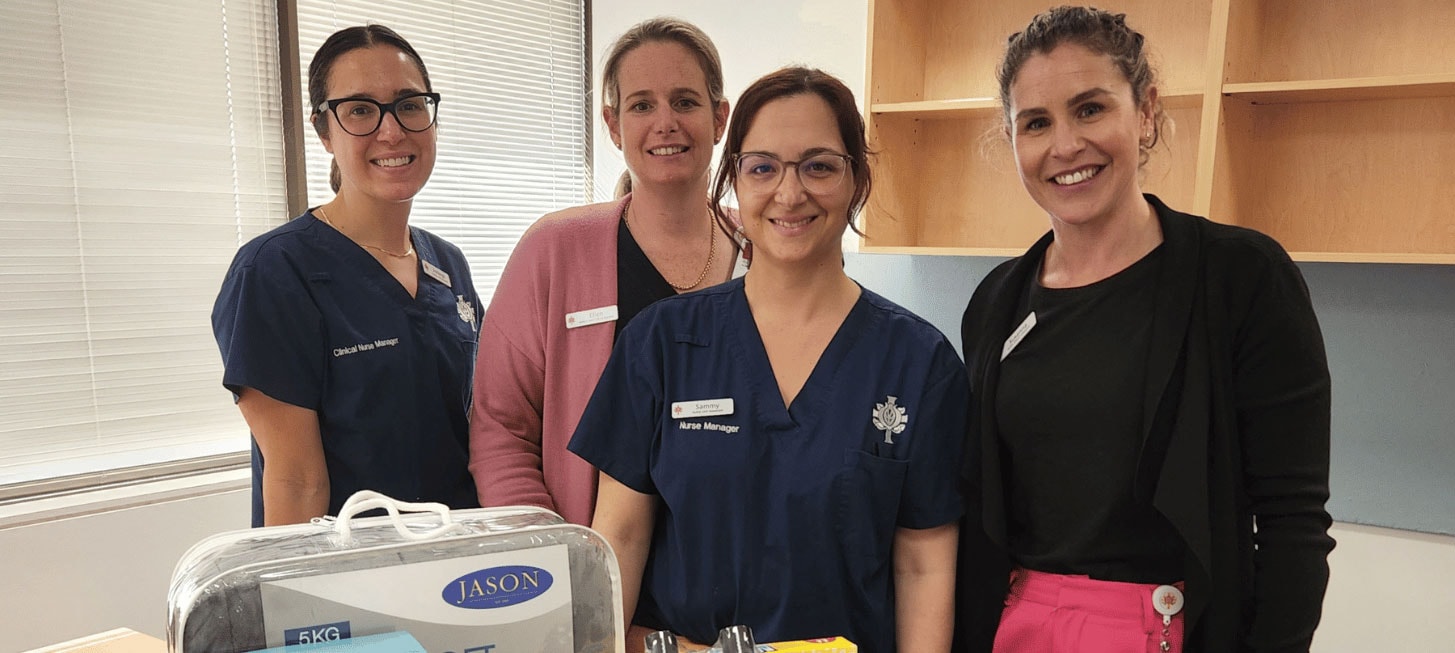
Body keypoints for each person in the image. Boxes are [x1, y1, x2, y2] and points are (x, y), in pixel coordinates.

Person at [953, 7, 1335, 652]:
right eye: (1037, 123)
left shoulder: (1240, 277)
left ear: (1147, 111)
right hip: (1015, 630)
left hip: (1170, 627)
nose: (1066, 145)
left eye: (1091, 108)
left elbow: (1292, 522)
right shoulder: (996, 302)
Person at [570, 67, 966, 653]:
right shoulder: (661, 343)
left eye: (819, 165)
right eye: (762, 167)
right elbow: (621, 537)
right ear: (735, 181)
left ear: (857, 179)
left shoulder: (917, 361)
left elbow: (922, 565)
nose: (789, 192)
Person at [468, 17, 741, 527]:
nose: (666, 123)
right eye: (642, 105)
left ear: (719, 118)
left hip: (740, 570)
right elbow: (501, 429)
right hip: (601, 567)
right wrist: (555, 556)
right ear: (613, 125)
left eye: (685, 101)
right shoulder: (554, 250)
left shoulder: (762, 251)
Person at [212, 25, 481, 527]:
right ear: (323, 132)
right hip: (350, 581)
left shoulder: (449, 265)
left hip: (457, 564)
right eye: (360, 110)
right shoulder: (275, 271)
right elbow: (296, 481)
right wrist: (300, 602)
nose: (391, 130)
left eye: (409, 104)